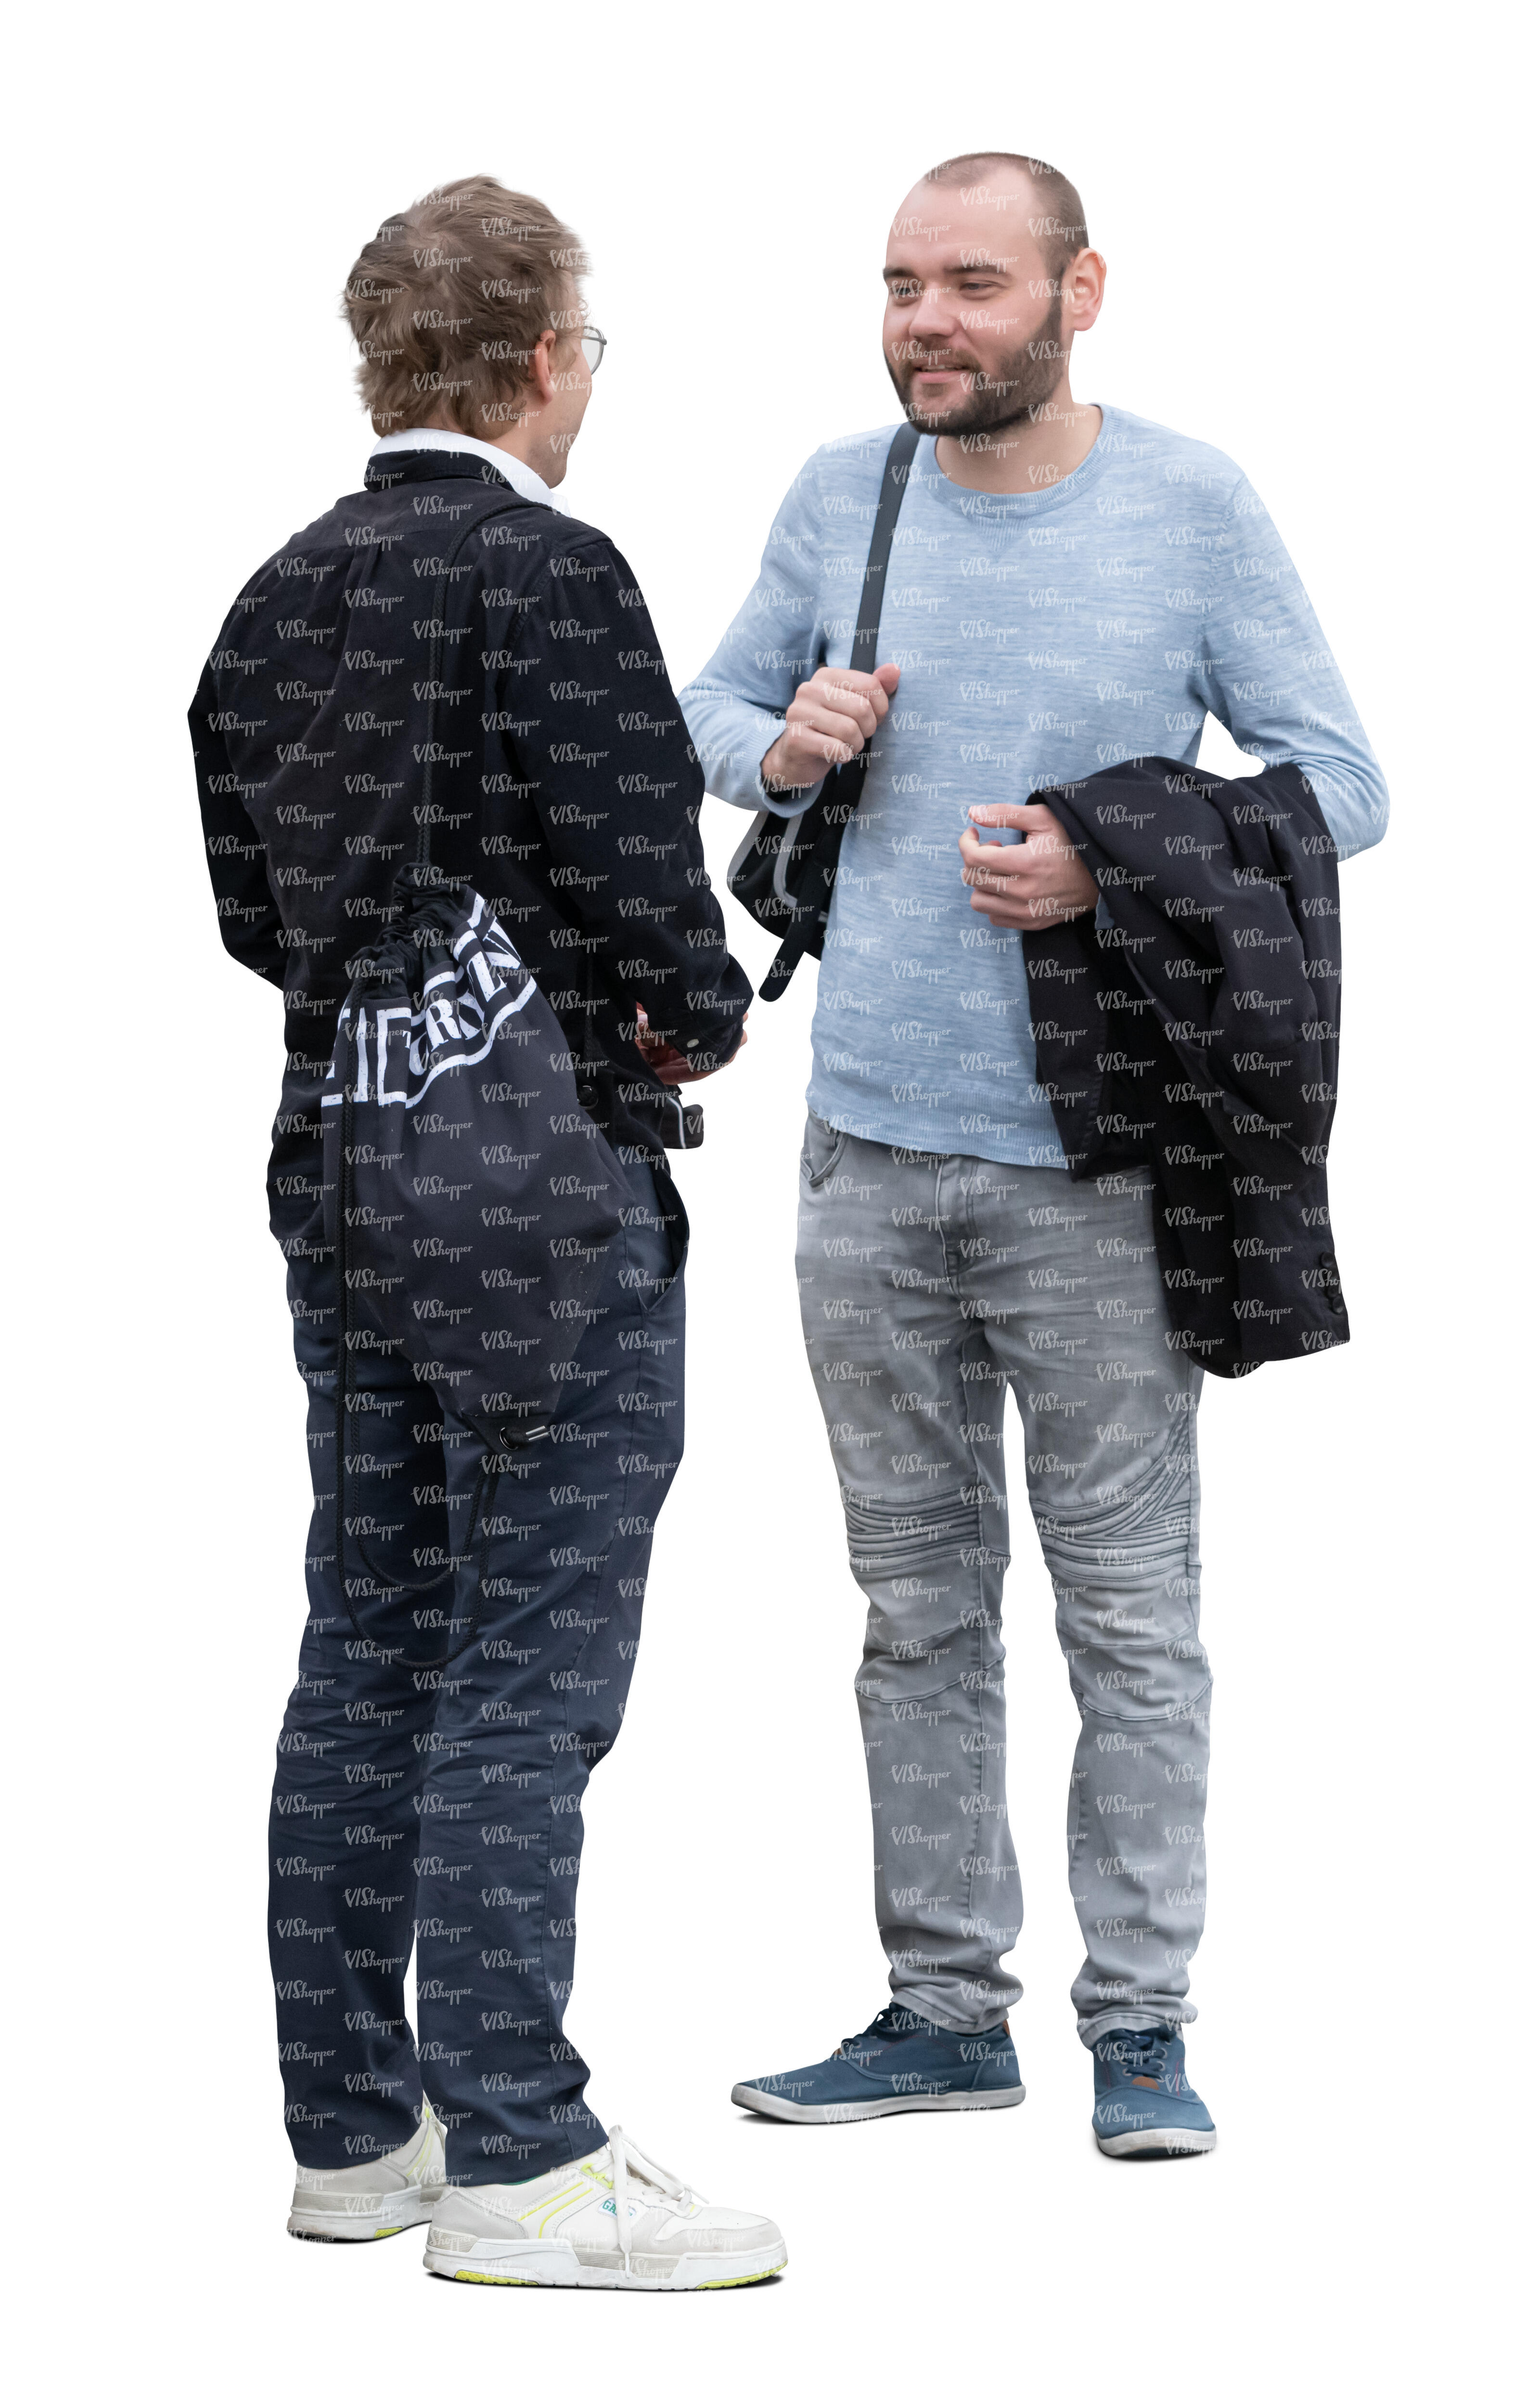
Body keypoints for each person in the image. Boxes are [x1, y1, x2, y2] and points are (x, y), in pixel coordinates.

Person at [680, 150, 1387, 2157]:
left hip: (1100, 1169)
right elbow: (710, 706)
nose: (927, 319)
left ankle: (1141, 2025)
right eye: (900, 282)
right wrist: (781, 747)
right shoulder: (846, 491)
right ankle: (940, 2012)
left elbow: (1343, 784)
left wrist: (1115, 852)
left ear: (1079, 291)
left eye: (972, 282)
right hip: (863, 1157)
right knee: (913, 1607)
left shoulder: (1190, 502)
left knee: (1129, 1615)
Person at [190, 176, 786, 2287]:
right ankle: (527, 2156)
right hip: (541, 1195)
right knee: (530, 1662)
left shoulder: (275, 594)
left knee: (368, 1640)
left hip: (344, 1169)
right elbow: (647, 891)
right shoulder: (551, 571)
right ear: (543, 359)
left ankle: (361, 2131)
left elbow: (253, 911)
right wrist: (693, 1010)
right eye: (585, 347)